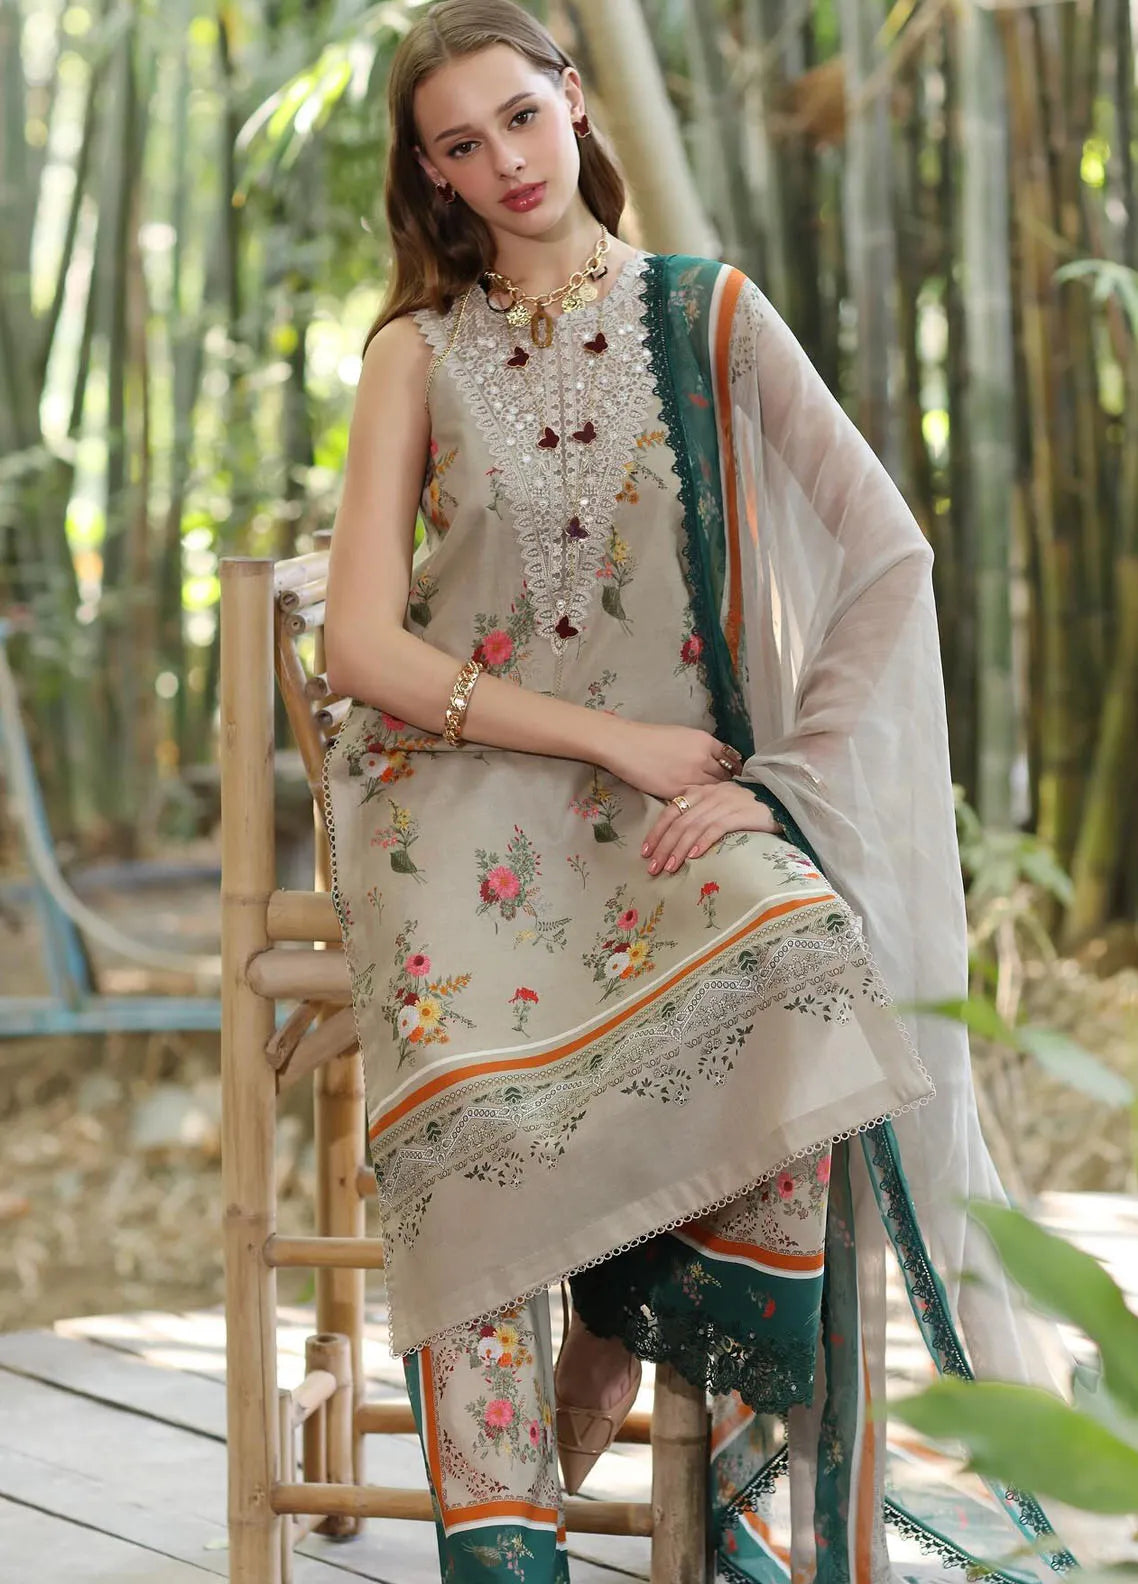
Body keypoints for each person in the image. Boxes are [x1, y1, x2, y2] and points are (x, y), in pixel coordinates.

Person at [323, 3, 1073, 1580]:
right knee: (463, 1099)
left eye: (519, 117)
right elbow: (361, 647)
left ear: (572, 103)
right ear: (432, 175)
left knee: (803, 957)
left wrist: (786, 781)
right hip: (454, 796)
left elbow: (888, 554)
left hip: (664, 799)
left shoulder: (706, 312)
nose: (504, 161)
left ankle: (623, 1313)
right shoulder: (414, 353)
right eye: (460, 144)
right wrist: (607, 740)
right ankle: (506, 1543)